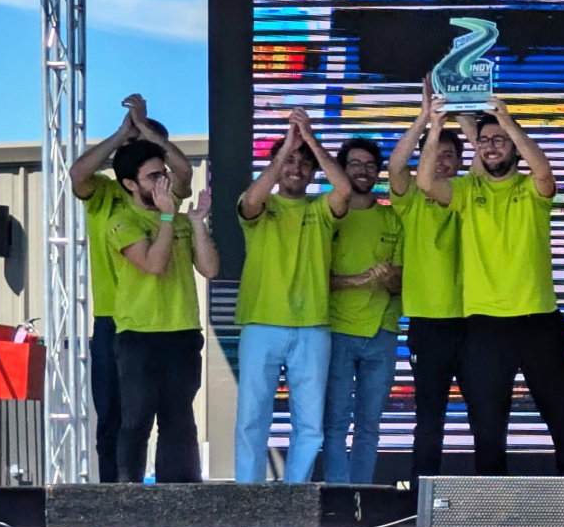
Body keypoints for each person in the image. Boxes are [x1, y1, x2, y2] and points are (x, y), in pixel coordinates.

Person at [416, 97, 564, 477]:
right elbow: (425, 182)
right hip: (485, 326)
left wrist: (508, 123)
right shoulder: (465, 190)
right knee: (488, 429)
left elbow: (544, 171)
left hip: (539, 320)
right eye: (484, 141)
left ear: (513, 145)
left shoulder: (531, 189)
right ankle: (493, 504)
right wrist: (435, 126)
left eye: (499, 140)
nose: (491, 147)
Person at [70, 94, 192, 483]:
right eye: (134, 151)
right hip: (112, 318)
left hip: (162, 324)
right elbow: (77, 174)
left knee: (170, 417)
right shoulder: (105, 192)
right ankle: (115, 498)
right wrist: (123, 133)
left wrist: (149, 135)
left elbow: (184, 173)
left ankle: (170, 497)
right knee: (115, 416)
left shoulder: (164, 195)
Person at [234, 107, 352, 483]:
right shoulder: (260, 203)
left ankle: (295, 498)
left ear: (313, 171)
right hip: (261, 323)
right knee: (252, 418)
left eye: (304, 163)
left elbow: (344, 190)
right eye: (289, 161)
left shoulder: (321, 208)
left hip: (313, 325)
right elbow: (251, 201)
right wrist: (287, 145)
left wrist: (310, 140)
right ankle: (248, 497)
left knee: (310, 425)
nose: (296, 168)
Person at [107, 139, 217, 484]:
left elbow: (210, 269)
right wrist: (167, 216)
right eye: (153, 177)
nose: (164, 181)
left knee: (179, 418)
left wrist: (196, 223)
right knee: (137, 418)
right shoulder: (122, 221)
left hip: (182, 331)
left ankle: (180, 494)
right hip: (138, 334)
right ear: (130, 184)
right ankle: (129, 492)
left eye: (164, 173)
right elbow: (153, 265)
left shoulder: (180, 221)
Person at [388, 75, 477, 488]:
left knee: (484, 414)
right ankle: (419, 500)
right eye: (434, 153)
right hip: (427, 323)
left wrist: (464, 117)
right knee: (429, 417)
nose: (441, 161)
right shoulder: (411, 200)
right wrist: (427, 121)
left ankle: (487, 498)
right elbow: (395, 166)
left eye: (448, 155)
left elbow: (486, 160)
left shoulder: (473, 193)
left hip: (476, 321)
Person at [322, 138, 404, 484]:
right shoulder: (328, 215)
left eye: (370, 165)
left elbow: (401, 283)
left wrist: (387, 279)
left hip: (382, 332)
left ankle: (362, 497)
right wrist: (358, 280)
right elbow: (315, 278)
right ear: (341, 169)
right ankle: (338, 498)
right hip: (337, 331)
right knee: (335, 424)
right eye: (355, 164)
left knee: (369, 425)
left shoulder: (392, 217)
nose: (363, 171)